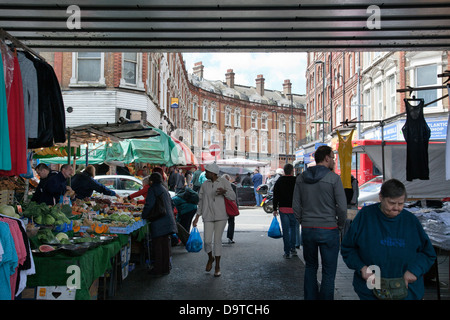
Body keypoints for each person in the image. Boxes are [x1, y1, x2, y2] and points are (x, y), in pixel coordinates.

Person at [341, 179, 436, 300]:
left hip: (407, 291)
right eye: (392, 203)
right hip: (371, 290)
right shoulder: (365, 216)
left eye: (400, 204)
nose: (396, 208)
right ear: (381, 197)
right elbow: (347, 248)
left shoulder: (411, 221)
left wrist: (414, 271)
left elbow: (428, 254)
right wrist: (362, 268)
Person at [292, 145, 347, 300]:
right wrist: (340, 225)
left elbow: (295, 205)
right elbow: (342, 208)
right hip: (329, 229)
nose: (334, 161)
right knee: (329, 272)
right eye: (333, 158)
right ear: (327, 158)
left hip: (308, 229)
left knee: (310, 267)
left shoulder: (301, 178)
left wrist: (303, 221)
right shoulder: (334, 178)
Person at [192, 163, 236, 277]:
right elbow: (200, 202)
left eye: (207, 172)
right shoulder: (204, 185)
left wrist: (225, 192)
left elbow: (233, 197)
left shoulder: (223, 182)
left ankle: (217, 266)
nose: (205, 174)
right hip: (207, 216)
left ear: (212, 173)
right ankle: (210, 258)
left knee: (217, 241)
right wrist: (197, 217)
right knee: (207, 241)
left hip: (221, 216)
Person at [142, 172, 178, 277]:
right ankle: (165, 268)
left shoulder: (153, 189)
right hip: (168, 220)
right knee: (165, 246)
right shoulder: (164, 189)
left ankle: (158, 270)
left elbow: (149, 204)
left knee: (158, 246)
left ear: (151, 181)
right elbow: (171, 204)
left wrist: (143, 215)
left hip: (159, 221)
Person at [273, 163, 298, 258]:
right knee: (294, 229)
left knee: (286, 231)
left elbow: (276, 196)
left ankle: (286, 252)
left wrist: (275, 208)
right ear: (292, 171)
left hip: (283, 209)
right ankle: (293, 249)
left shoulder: (279, 181)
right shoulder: (296, 181)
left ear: (284, 171)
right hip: (294, 209)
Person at [222, 174, 238, 244]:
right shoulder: (233, 186)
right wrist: (237, 206)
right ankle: (230, 237)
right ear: (228, 179)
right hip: (230, 206)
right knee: (231, 222)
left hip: (221, 207)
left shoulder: (218, 186)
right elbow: (235, 198)